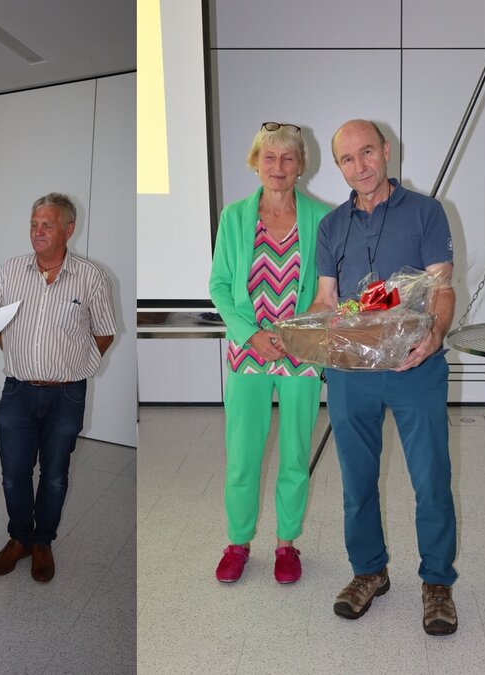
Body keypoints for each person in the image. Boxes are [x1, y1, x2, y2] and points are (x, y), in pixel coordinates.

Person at [309, 119, 458, 636]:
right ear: (339, 167)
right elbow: (326, 300)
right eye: (348, 159)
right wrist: (301, 330)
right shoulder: (331, 226)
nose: (360, 166)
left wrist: (434, 336)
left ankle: (437, 581)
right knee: (356, 480)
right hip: (351, 372)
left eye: (367, 152)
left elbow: (441, 288)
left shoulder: (426, 211)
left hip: (415, 365)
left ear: (387, 151)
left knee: (431, 478)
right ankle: (369, 571)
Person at [207, 121, 331, 584]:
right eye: (269, 157)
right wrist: (249, 334)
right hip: (248, 351)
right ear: (256, 163)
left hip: (301, 351)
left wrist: (293, 333)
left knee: (296, 453)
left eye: (288, 158)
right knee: (243, 454)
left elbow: (328, 288)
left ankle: (286, 544)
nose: (278, 167)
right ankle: (238, 542)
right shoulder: (234, 217)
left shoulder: (323, 217)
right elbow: (219, 286)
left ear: (301, 166)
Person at [0, 192, 118, 583]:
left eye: (47, 225)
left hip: (66, 394)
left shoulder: (92, 276)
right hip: (18, 391)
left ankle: (42, 541)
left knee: (55, 474)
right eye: (33, 224)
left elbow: (105, 332)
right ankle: (19, 538)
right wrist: (21, 357)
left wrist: (76, 366)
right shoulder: (9, 271)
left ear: (68, 229)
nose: (37, 231)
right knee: (13, 473)